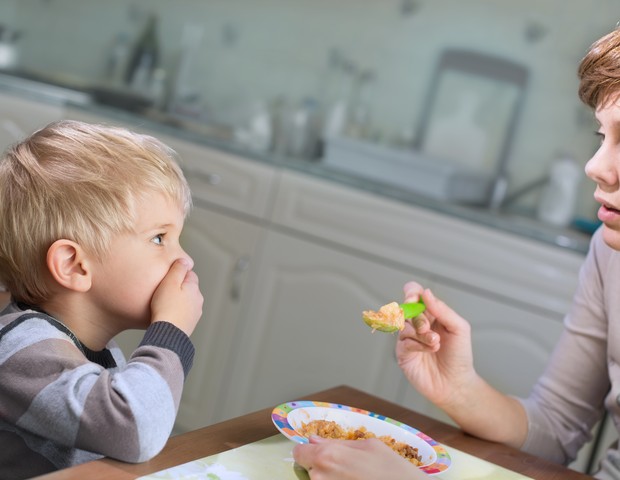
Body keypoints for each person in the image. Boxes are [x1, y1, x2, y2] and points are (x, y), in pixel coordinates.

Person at [294, 27, 620, 480]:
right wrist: (459, 390)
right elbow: (557, 429)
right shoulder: (610, 253)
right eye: (603, 136)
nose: (596, 166)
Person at [0, 120, 204, 479]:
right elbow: (135, 429)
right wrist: (170, 331)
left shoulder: (92, 346)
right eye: (159, 238)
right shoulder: (23, 352)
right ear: (75, 265)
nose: (184, 260)